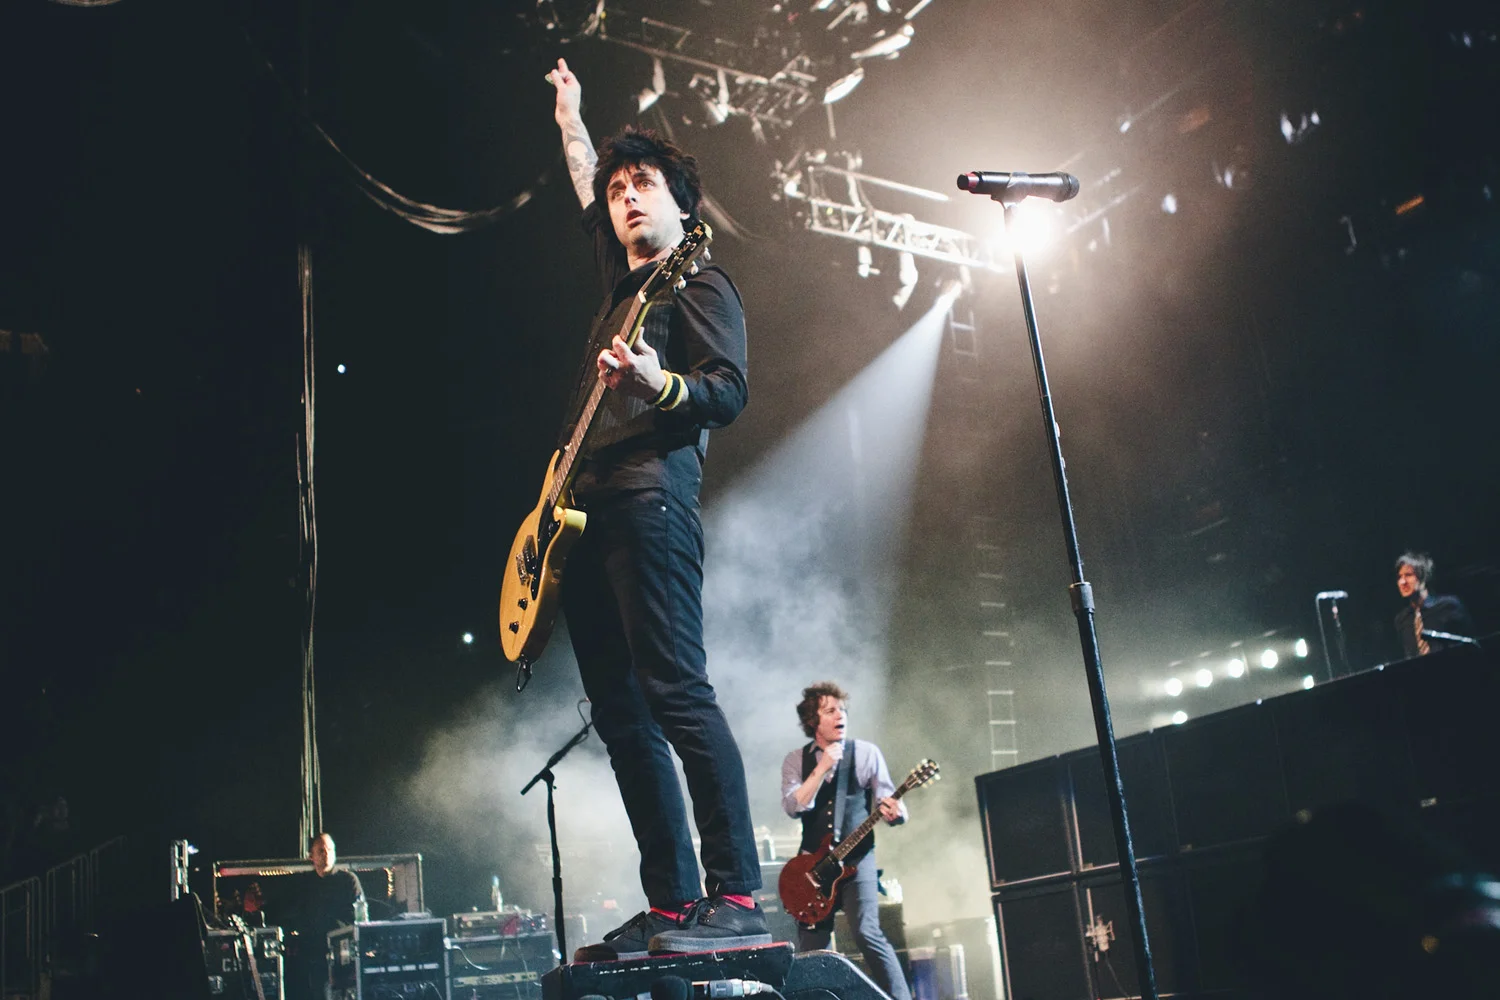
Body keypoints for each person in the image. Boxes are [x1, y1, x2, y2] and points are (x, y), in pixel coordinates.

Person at [544, 57, 768, 959]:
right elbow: (583, 179)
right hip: (586, 516)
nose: (628, 198)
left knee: (675, 692)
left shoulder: (697, 284)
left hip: (651, 501)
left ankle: (740, 896)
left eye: (646, 186)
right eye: (620, 189)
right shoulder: (618, 280)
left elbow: (729, 389)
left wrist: (656, 380)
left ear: (683, 207)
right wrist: (571, 115)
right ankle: (674, 904)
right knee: (620, 713)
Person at [781, 682, 911, 1000]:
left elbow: (888, 796)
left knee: (867, 932)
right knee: (813, 949)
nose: (841, 715)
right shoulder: (796, 760)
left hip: (857, 860)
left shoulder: (865, 753)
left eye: (842, 709)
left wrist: (895, 811)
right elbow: (793, 806)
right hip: (811, 866)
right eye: (831, 710)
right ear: (813, 722)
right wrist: (822, 766)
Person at [280, 832, 363, 1000]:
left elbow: (360, 918)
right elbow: (292, 914)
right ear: (312, 856)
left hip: (345, 955)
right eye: (321, 851)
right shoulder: (305, 884)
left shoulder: (349, 880)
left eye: (330, 850)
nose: (326, 854)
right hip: (316, 957)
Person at [1393, 552, 1475, 658]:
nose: (1402, 582)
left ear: (1423, 578)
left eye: (1408, 575)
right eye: (1399, 577)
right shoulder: (1402, 619)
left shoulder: (1448, 606)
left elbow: (1470, 643)